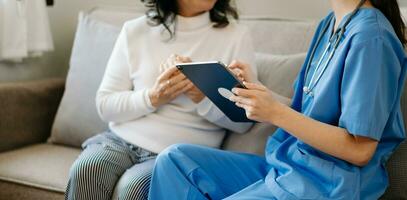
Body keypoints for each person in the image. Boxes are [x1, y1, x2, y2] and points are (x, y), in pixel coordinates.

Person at [148, 0, 407, 199]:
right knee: (175, 160)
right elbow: (308, 110)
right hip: (288, 168)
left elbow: (360, 150)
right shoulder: (331, 23)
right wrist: (259, 92)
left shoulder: (371, 39)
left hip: (327, 186)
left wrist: (274, 113)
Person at [65, 0, 256, 199]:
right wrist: (154, 97)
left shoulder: (236, 37)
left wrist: (202, 98)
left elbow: (244, 122)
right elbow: (105, 105)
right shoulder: (135, 30)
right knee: (87, 170)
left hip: (177, 155)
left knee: (134, 187)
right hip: (120, 141)